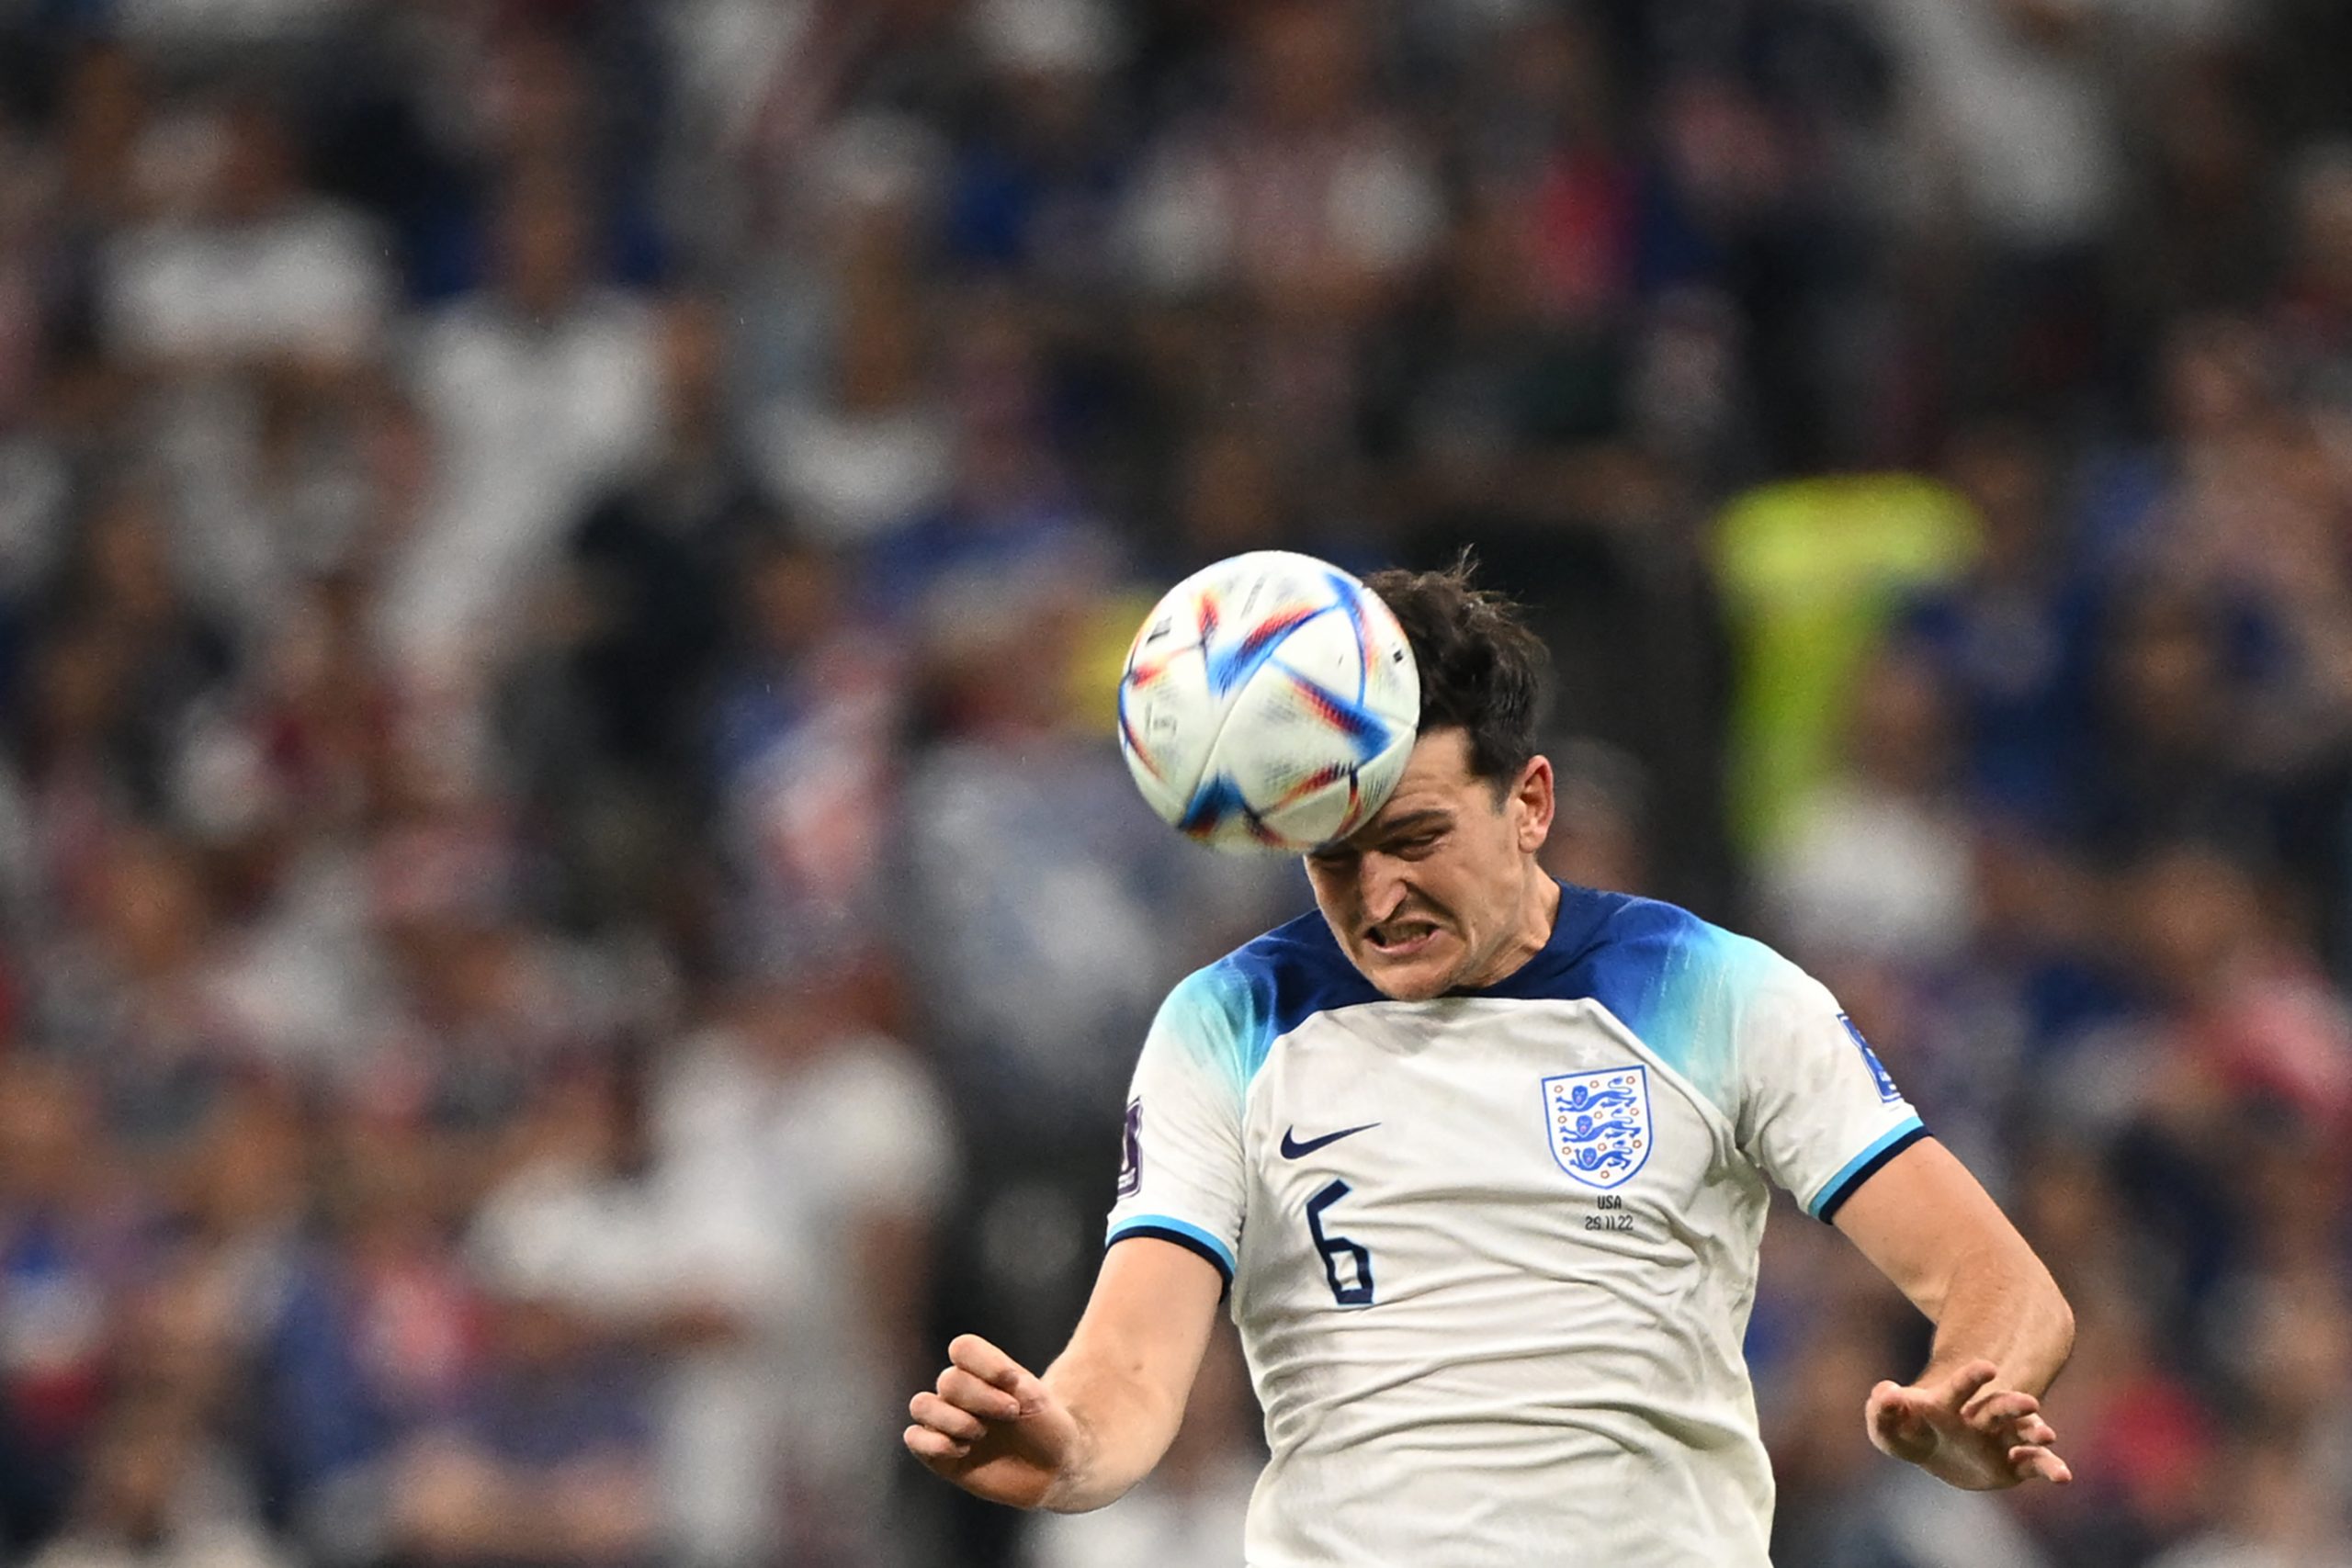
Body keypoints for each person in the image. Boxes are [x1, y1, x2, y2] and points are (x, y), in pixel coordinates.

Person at [902, 563, 2076, 1564]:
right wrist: (1069, 1446)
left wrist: (1974, 1391)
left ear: (1529, 803)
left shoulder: (1713, 990)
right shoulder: (1230, 1022)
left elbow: (1999, 1286)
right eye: (1334, 857)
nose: (1378, 896)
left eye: (1417, 840)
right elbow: (1133, 1355)